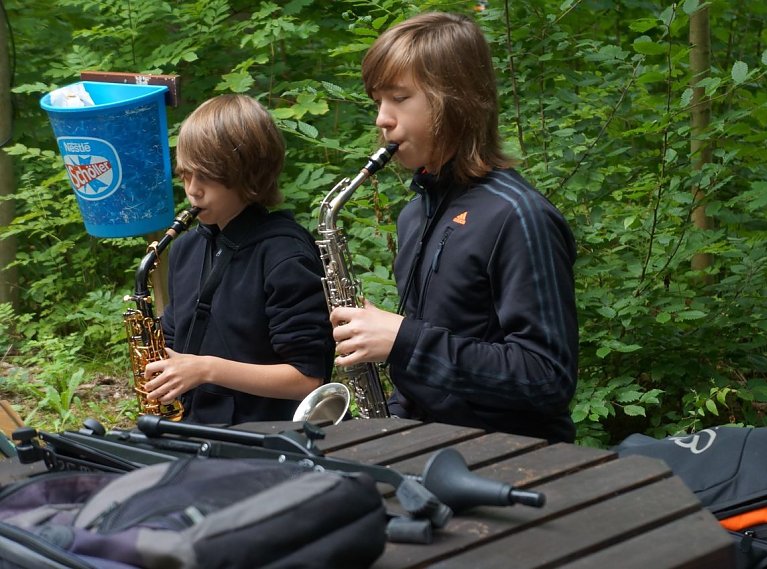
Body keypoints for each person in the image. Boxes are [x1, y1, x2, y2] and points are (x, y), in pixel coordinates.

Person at [330, 12, 579, 443]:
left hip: (511, 461)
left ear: (456, 100)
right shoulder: (415, 214)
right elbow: (436, 373)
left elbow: (547, 378)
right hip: (430, 448)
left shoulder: (519, 216)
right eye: (378, 101)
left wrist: (404, 339)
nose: (381, 120)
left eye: (399, 98)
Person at [142, 94, 334, 425]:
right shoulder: (186, 248)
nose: (192, 191)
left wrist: (206, 369)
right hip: (193, 429)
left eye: (206, 176)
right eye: (186, 175)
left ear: (249, 174)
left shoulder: (284, 254)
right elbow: (175, 346)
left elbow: (309, 380)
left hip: (267, 439)